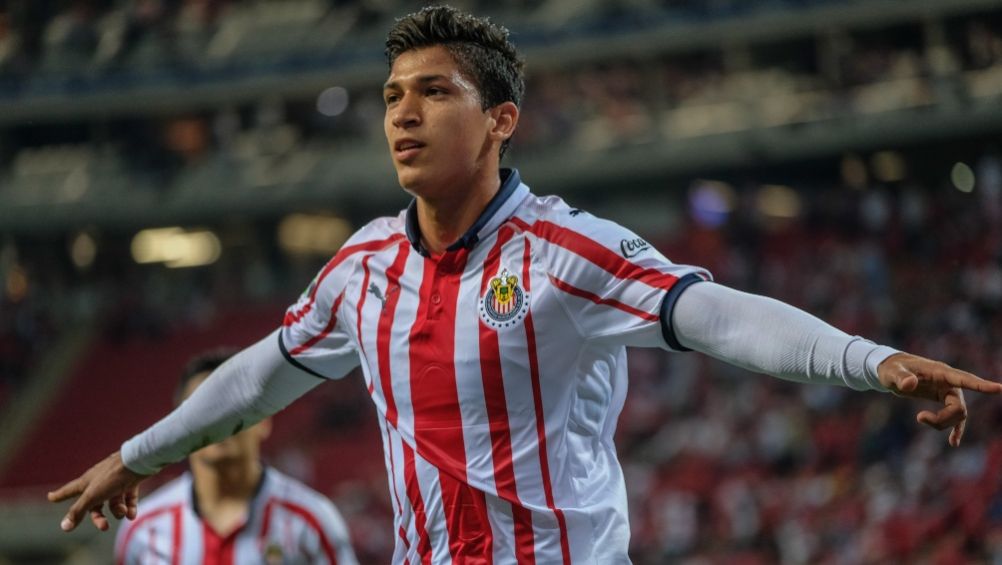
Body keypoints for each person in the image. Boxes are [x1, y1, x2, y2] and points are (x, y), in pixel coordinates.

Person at [49, 5, 1002, 564]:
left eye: (434, 92)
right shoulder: (362, 270)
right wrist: (137, 454)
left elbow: (712, 312)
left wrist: (868, 359)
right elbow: (258, 375)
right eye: (392, 96)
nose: (403, 114)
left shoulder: (564, 250)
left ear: (501, 120)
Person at [114, 349, 358, 564]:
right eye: (200, 409)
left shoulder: (310, 521)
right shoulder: (143, 529)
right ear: (177, 428)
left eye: (232, 405)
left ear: (264, 420)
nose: (218, 421)